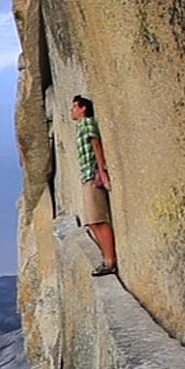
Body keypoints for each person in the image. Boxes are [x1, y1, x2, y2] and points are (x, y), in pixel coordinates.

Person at [71, 95, 118, 276]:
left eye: (75, 107)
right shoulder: (80, 127)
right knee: (92, 222)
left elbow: (96, 144)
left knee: (98, 220)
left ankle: (109, 261)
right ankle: (106, 258)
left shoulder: (87, 123)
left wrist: (102, 170)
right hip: (86, 176)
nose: (72, 110)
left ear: (83, 108)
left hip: (92, 175)